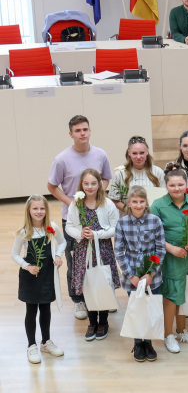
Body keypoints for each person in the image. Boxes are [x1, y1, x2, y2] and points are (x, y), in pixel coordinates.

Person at [47, 115, 111, 321]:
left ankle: (102, 297)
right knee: (76, 261)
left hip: (97, 218)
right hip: (72, 219)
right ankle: (79, 300)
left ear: (90, 131)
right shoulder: (61, 159)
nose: (82, 133)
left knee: (101, 258)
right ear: (71, 134)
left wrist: (97, 199)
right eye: (78, 131)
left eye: (85, 129)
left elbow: (107, 178)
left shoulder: (101, 154)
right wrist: (72, 203)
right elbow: (51, 186)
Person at [150, 167, 188, 353]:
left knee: (186, 294)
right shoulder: (158, 205)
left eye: (180, 184)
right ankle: (168, 334)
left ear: (187, 184)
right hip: (170, 257)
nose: (176, 188)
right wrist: (171, 248)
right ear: (166, 185)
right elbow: (152, 233)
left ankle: (182, 330)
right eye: (172, 185)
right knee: (171, 296)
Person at [66, 168, 120, 342]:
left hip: (102, 250)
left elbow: (115, 228)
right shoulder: (76, 204)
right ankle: (92, 322)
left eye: (93, 183)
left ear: (100, 184)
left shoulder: (107, 204)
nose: (89, 187)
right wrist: (81, 233)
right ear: (81, 184)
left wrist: (97, 234)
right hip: (83, 251)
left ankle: (103, 322)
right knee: (88, 284)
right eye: (86, 183)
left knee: (102, 283)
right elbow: (69, 226)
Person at [12, 195, 66, 364]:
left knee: (46, 308)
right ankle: (31, 345)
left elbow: (62, 243)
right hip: (30, 277)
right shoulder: (23, 232)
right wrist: (26, 265)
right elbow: (14, 254)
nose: (39, 211)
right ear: (29, 210)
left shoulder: (52, 227)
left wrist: (57, 255)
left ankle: (46, 341)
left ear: (46, 210)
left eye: (42, 208)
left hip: (47, 275)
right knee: (31, 310)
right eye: (35, 208)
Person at [114, 186, 165, 362]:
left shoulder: (155, 221)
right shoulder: (122, 223)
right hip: (132, 277)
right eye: (134, 201)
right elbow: (119, 252)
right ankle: (137, 342)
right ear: (128, 203)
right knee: (136, 309)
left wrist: (150, 274)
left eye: (141, 201)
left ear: (146, 203)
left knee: (149, 309)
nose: (138, 205)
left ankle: (148, 342)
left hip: (152, 276)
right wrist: (131, 275)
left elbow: (160, 250)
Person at [109, 136, 165, 213]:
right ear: (129, 153)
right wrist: (131, 212)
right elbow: (115, 200)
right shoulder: (120, 173)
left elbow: (164, 198)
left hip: (152, 217)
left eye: (142, 153)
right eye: (134, 153)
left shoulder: (158, 172)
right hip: (128, 218)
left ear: (147, 152)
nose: (138, 157)